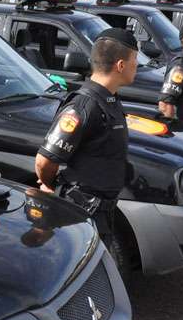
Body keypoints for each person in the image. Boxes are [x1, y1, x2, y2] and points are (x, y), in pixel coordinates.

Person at [35, 28, 137, 254]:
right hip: (80, 213)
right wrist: (51, 186)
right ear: (120, 65)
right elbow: (44, 161)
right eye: (135, 60)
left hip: (101, 212)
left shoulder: (109, 99)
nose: (137, 66)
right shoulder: (84, 106)